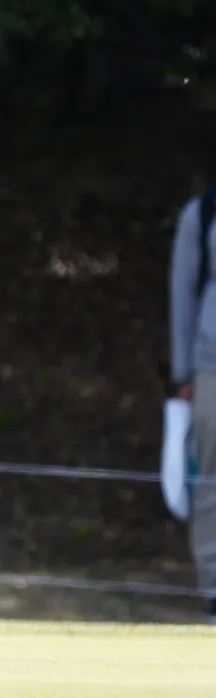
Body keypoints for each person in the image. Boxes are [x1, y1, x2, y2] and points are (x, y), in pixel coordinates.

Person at [169, 187, 216, 621]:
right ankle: (214, 586)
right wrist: (183, 371)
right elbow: (182, 292)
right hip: (211, 366)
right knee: (212, 477)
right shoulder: (202, 214)